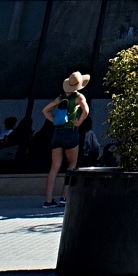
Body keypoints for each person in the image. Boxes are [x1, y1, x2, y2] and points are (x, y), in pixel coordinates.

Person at [42, 70, 89, 206]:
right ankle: (64, 196)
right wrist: (78, 122)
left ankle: (48, 200)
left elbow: (45, 110)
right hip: (70, 132)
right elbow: (85, 111)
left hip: (57, 133)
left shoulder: (61, 97)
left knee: (54, 167)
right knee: (71, 165)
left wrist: (54, 120)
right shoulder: (79, 97)